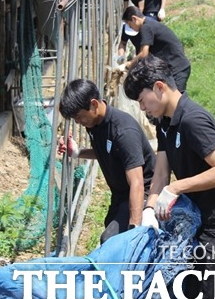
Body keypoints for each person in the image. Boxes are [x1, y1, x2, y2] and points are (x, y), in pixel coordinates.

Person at [123, 55, 215, 299]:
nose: (143, 108)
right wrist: (148, 209)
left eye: (143, 100)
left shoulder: (193, 119)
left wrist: (177, 188)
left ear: (159, 87)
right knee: (184, 296)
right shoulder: (165, 124)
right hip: (200, 221)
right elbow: (161, 171)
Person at [58, 79, 155, 243]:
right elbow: (106, 152)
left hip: (142, 193)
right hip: (120, 194)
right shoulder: (95, 123)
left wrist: (135, 228)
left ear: (94, 104)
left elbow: (137, 183)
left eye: (78, 117)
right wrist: (77, 152)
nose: (78, 123)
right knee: (110, 229)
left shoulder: (123, 131)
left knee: (112, 240)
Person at [119, 5, 191, 92]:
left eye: (130, 25)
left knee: (177, 100)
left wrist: (129, 64)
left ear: (134, 19)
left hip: (177, 68)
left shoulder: (146, 27)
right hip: (174, 67)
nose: (130, 28)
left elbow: (144, 53)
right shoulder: (150, 23)